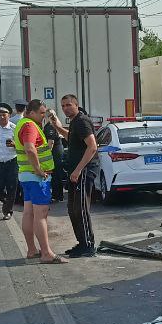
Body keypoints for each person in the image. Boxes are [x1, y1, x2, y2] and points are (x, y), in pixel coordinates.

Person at [14, 99, 65, 264]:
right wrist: (38, 170)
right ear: (31, 112)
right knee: (41, 215)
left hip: (25, 175)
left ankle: (32, 250)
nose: (44, 116)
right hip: (36, 177)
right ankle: (46, 253)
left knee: (28, 213)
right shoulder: (30, 126)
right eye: (42, 113)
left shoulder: (23, 123)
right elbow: (29, 148)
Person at [49, 94, 99, 257]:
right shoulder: (75, 122)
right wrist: (57, 126)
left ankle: (89, 245)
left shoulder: (82, 121)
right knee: (72, 209)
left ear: (76, 105)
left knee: (81, 208)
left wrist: (78, 170)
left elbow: (92, 147)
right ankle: (82, 242)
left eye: (69, 105)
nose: (65, 108)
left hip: (84, 170)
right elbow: (70, 137)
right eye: (63, 106)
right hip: (74, 171)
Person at [0, 104, 18, 219]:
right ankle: (6, 202)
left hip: (11, 161)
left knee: (12, 186)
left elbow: (20, 145)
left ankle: (8, 210)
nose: (1, 118)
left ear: (9, 116)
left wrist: (14, 144)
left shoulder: (14, 128)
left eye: (4, 115)